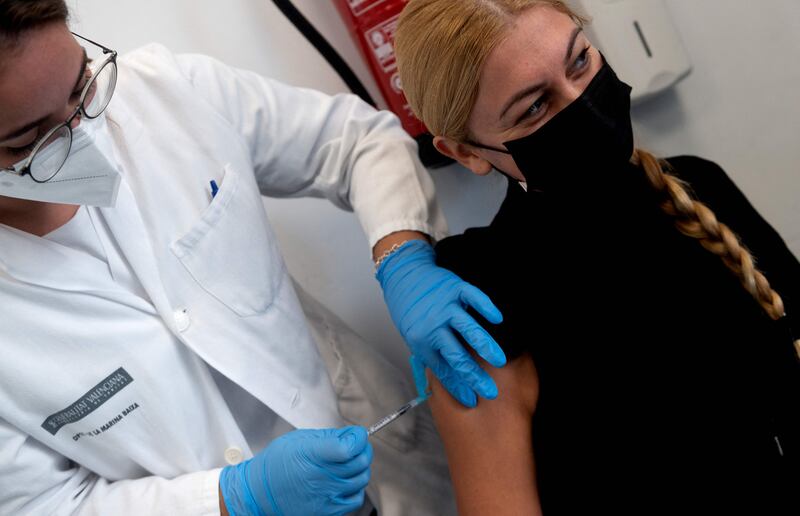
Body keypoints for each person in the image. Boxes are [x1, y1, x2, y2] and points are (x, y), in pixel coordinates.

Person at [0, 0, 509, 513]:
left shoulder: (165, 95)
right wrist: (232, 499)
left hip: (395, 468)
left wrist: (402, 259)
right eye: (29, 139)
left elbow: (357, 142)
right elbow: (42, 504)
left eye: (82, 87)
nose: (84, 129)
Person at [393, 0, 800, 514]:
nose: (582, 102)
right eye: (534, 107)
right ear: (467, 152)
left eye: (579, 61)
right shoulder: (480, 304)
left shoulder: (701, 188)